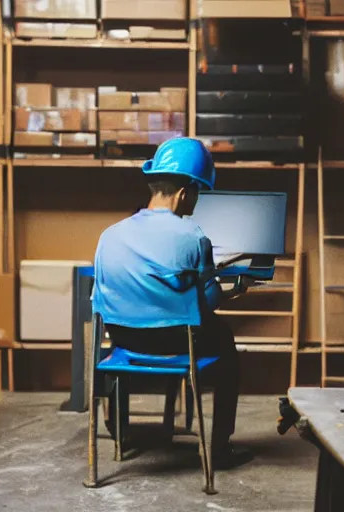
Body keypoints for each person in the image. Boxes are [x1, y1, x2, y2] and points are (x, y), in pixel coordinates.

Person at [92, 137, 250, 469]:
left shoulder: (109, 236)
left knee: (143, 327)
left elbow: (101, 298)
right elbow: (205, 304)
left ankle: (119, 433)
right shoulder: (193, 237)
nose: (196, 201)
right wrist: (234, 290)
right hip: (177, 341)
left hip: (123, 338)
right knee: (224, 337)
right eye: (198, 193)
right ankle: (218, 448)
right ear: (185, 192)